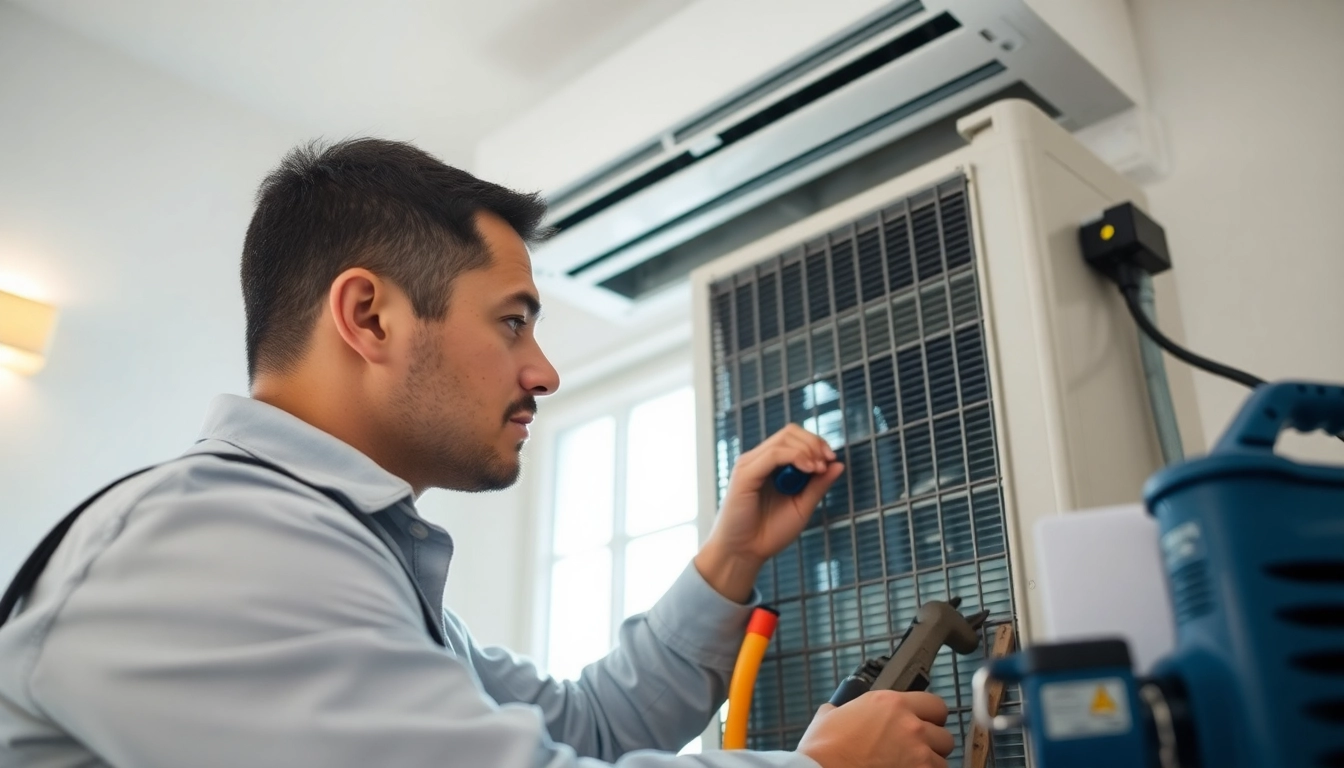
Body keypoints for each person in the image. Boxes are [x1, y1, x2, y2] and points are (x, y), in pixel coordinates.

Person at [0, 139, 955, 768]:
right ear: (369, 316)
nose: (544, 371)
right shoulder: (210, 542)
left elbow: (590, 727)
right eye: (512, 322)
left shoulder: (341, 553)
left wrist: (731, 556)